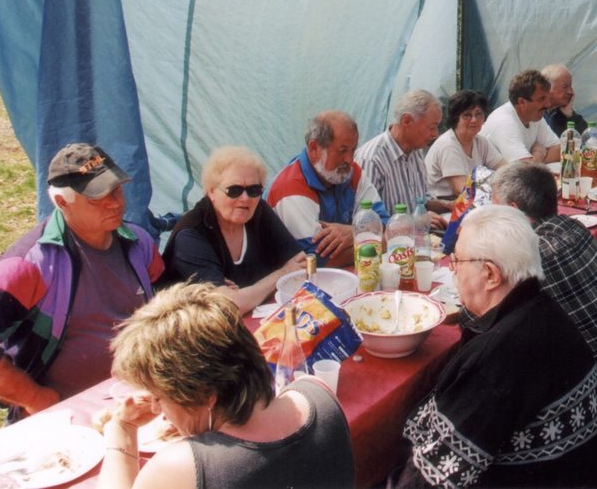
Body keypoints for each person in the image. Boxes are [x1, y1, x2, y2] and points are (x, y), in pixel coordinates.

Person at [397, 205, 597, 487]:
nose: (453, 269)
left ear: (492, 275)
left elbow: (433, 479)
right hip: (577, 469)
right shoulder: (541, 308)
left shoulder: (499, 354)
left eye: (457, 261)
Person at [98, 282, 354, 489]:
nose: (156, 407)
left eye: (159, 396)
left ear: (205, 394)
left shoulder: (180, 468)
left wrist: (121, 429)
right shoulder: (316, 392)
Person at [0, 143, 164, 419]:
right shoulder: (29, 265)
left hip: (138, 402)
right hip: (63, 417)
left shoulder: (140, 244)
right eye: (96, 197)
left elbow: (166, 306)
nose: (114, 203)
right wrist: (33, 397)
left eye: (116, 189)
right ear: (62, 202)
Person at [490, 162, 597, 406]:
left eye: (495, 209)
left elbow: (490, 317)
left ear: (514, 210)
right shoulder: (574, 227)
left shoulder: (534, 257)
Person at [161, 146, 306, 314]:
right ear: (211, 192)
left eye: (254, 190)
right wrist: (284, 273)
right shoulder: (191, 235)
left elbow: (302, 264)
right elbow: (231, 306)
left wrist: (246, 293)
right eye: (234, 190)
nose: (245, 198)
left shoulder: (258, 210)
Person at [268, 110, 389, 267]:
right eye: (342, 150)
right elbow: (316, 260)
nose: (350, 160)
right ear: (314, 148)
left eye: (353, 150)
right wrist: (377, 242)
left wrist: (353, 231)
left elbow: (383, 222)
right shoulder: (290, 189)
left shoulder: (353, 173)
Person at [355, 89, 448, 226]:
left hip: (415, 237)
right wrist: (415, 221)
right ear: (406, 121)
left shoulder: (415, 151)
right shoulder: (372, 159)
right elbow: (366, 222)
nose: (435, 134)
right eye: (432, 127)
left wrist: (450, 205)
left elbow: (421, 199)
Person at [424, 89, 506, 200]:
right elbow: (462, 189)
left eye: (478, 114)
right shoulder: (448, 145)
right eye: (467, 115)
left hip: (469, 203)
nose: (474, 120)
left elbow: (506, 170)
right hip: (444, 208)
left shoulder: (481, 142)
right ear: (456, 118)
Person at [481, 69, 561, 163]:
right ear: (522, 102)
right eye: (541, 99)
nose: (547, 104)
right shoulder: (504, 122)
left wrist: (535, 161)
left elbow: (559, 150)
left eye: (547, 98)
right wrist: (539, 153)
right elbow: (524, 169)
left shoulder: (534, 116)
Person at [541, 64, 588, 135]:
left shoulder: (563, 113)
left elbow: (588, 136)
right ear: (548, 88)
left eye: (570, 86)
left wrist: (570, 115)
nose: (570, 91)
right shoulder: (534, 113)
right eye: (564, 87)